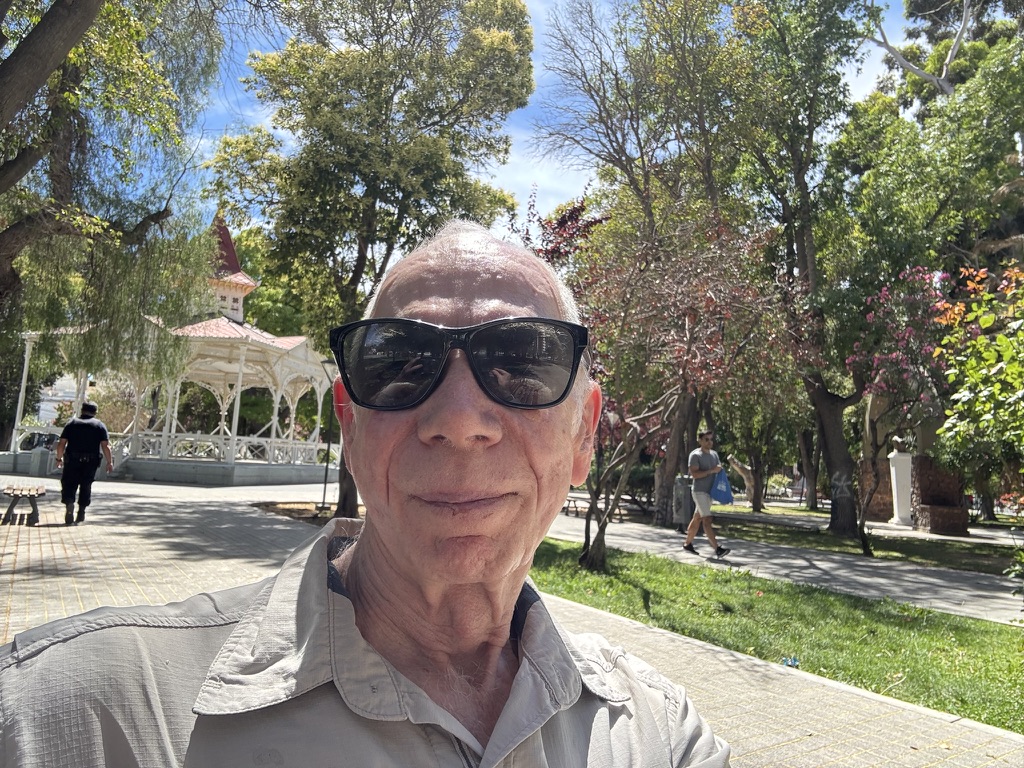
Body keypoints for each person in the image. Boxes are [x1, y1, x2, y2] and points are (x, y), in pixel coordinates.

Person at [0, 221, 731, 767]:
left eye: (522, 360)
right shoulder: (86, 715)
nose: (457, 421)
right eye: (398, 362)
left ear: (586, 436)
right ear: (349, 426)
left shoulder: (659, 735)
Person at [54, 400, 114, 525]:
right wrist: (109, 462)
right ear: (95, 412)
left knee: (69, 483)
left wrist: (59, 459)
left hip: (72, 460)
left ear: (82, 410)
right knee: (86, 485)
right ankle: (81, 511)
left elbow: (61, 444)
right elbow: (105, 446)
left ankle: (69, 503)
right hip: (91, 461)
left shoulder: (71, 423)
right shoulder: (99, 425)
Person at [682, 431, 731, 559]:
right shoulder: (695, 455)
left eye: (711, 439)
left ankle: (687, 544)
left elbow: (717, 470)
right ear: (700, 441)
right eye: (706, 439)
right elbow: (695, 475)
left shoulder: (714, 455)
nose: (709, 442)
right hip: (699, 492)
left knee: (697, 518)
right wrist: (711, 471)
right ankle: (718, 549)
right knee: (707, 520)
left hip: (710, 492)